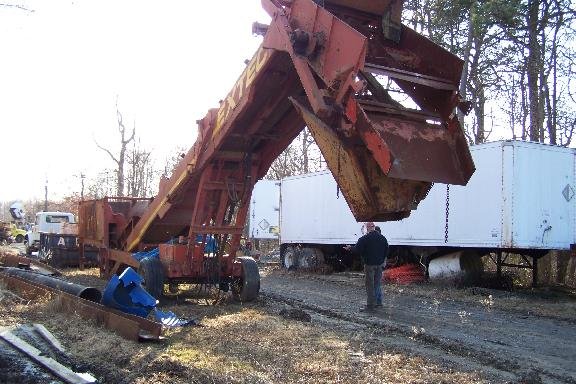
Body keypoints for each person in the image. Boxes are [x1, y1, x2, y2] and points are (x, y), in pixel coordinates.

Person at [346, 222, 388, 311]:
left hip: (369, 265)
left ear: (367, 228)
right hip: (379, 265)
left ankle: (370, 305)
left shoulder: (364, 238)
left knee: (370, 285)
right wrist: (381, 260)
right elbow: (386, 250)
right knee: (377, 283)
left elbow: (357, 250)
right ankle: (379, 302)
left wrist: (350, 248)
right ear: (374, 227)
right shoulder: (383, 238)